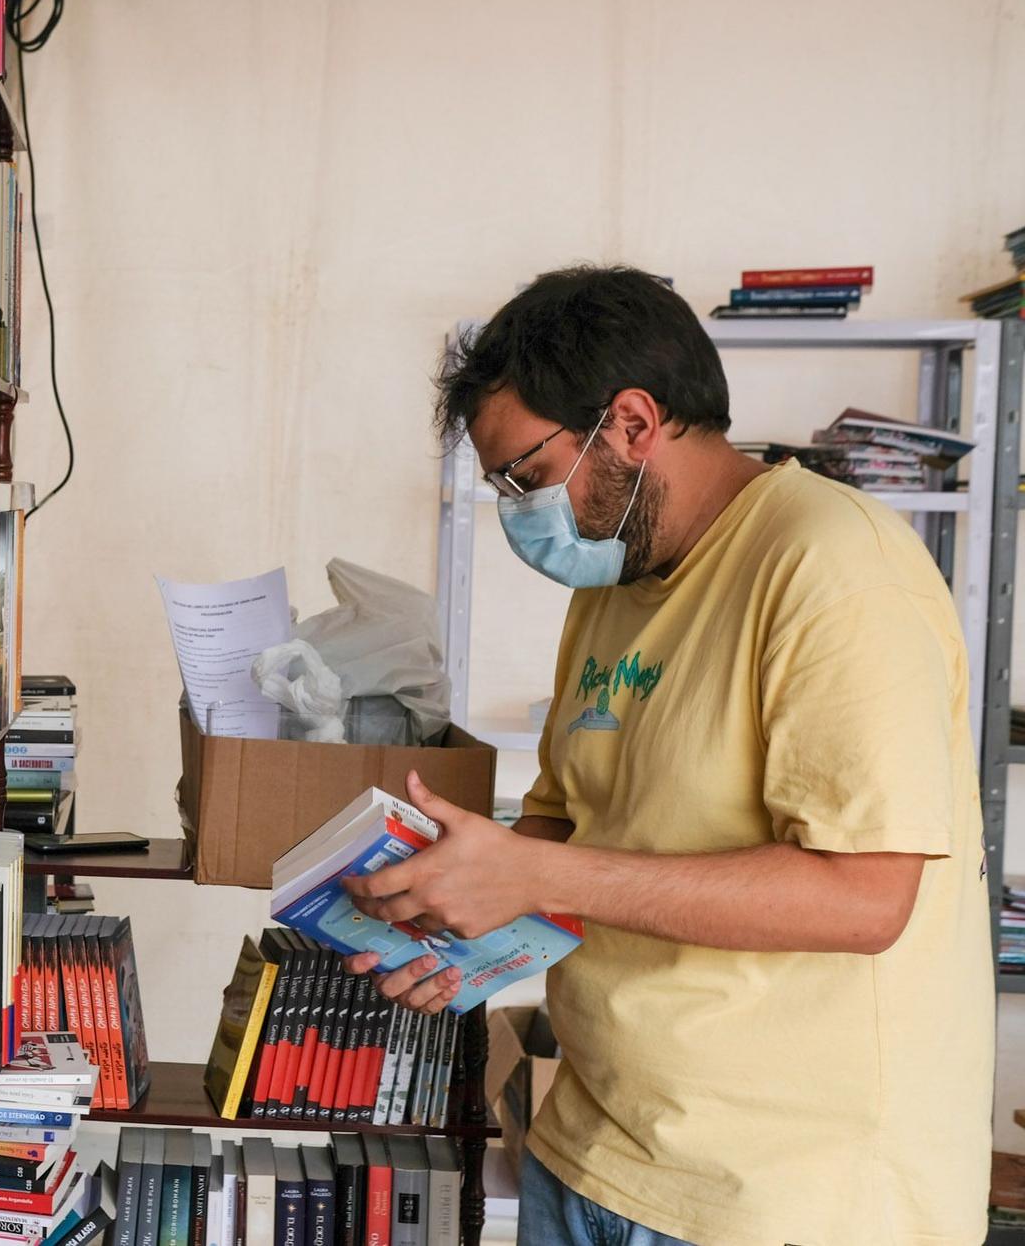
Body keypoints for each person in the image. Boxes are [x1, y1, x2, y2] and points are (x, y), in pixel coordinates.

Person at [343, 267, 993, 1244]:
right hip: (594, 1146)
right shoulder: (607, 589)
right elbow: (570, 822)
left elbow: (864, 898)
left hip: (779, 1197)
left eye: (524, 472)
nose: (517, 505)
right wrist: (460, 910)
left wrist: (533, 868)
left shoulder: (831, 564)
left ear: (632, 423)